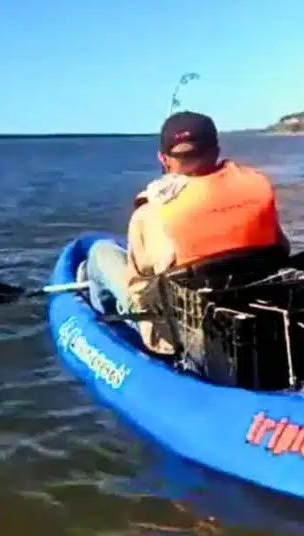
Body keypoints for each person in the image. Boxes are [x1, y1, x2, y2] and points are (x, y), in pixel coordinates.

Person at [80, 110, 290, 356]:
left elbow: (138, 283)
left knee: (100, 252)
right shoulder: (257, 191)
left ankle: (112, 338)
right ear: (216, 150)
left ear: (164, 159)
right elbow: (281, 250)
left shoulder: (151, 212)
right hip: (253, 315)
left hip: (180, 333)